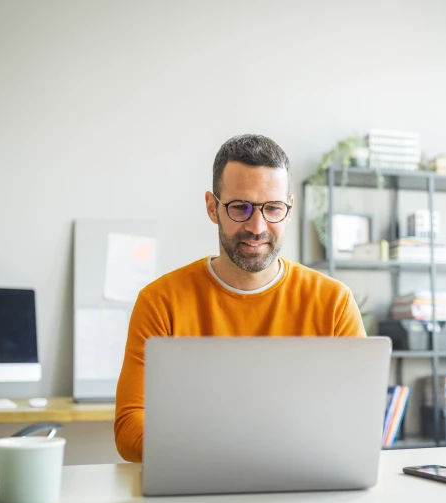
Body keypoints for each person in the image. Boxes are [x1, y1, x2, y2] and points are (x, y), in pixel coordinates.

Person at [114, 134, 366, 463]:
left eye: (272, 208)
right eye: (240, 208)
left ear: (289, 210)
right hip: (195, 491)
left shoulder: (334, 303)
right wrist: (233, 454)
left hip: (302, 487)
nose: (257, 226)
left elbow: (361, 419)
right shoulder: (160, 301)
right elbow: (130, 427)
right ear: (212, 207)